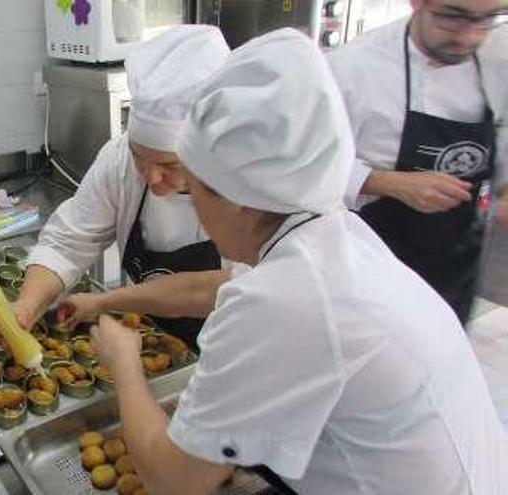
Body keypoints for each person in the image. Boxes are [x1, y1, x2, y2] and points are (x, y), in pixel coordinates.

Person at [91, 29, 507, 495]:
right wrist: (102, 302)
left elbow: (174, 480)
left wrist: (124, 363)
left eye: (195, 187)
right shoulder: (328, 235)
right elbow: (205, 289)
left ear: (238, 199)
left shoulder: (284, 300)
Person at [15, 25, 234, 345]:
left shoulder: (244, 188)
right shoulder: (119, 159)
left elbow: (223, 288)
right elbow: (68, 241)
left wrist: (105, 302)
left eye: (168, 165)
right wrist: (26, 305)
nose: (150, 176)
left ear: (206, 149)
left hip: (227, 347)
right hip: (148, 338)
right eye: (139, 157)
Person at [326, 0, 508, 323]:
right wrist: (391, 184)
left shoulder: (500, 58)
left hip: (459, 268)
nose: (469, 37)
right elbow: (312, 167)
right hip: (374, 268)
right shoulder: (352, 69)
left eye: (487, 19)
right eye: (453, 17)